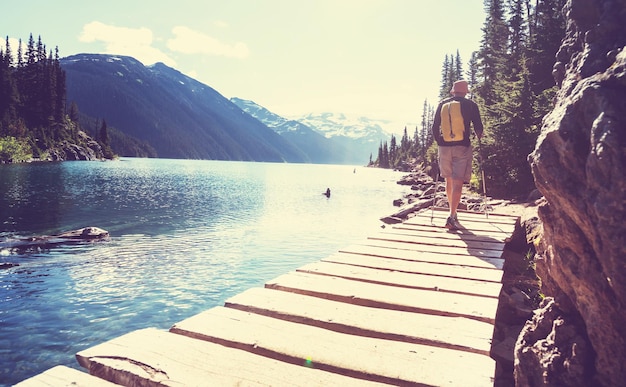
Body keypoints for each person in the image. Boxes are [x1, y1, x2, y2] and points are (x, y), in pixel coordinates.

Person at [431, 80, 483, 230]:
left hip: (444, 147)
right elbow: (478, 128)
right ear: (465, 92)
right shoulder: (471, 105)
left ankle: (452, 213)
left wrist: (440, 142)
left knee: (448, 181)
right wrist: (478, 135)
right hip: (462, 147)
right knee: (458, 181)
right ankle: (452, 216)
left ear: (453, 91)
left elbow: (435, 127)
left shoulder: (443, 104)